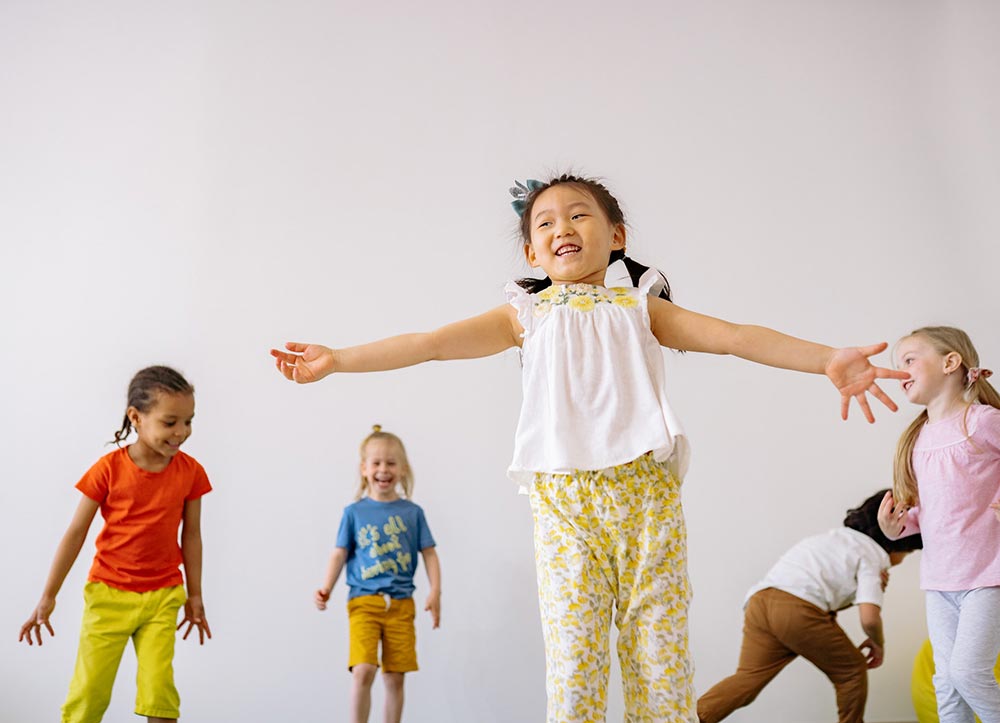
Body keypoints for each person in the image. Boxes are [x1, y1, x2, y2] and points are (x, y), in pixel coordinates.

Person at [271, 173, 907, 722]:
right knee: (574, 661)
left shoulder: (641, 307)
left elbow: (736, 337)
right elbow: (430, 342)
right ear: (532, 249)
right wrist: (339, 361)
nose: (562, 227)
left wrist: (827, 359)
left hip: (645, 500)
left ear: (617, 235)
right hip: (565, 505)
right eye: (545, 221)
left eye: (580, 214)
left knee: (659, 661)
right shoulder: (525, 315)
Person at [18, 366, 212, 723]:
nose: (182, 432)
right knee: (89, 694)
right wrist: (48, 596)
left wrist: (195, 595)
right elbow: (75, 533)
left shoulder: (192, 472)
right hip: (108, 595)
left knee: (160, 695)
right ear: (136, 417)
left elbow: (192, 534)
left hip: (163, 597)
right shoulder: (108, 469)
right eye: (170, 422)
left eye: (188, 421)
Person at [697, 489, 923, 723]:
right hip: (797, 609)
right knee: (852, 671)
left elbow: (822, 586)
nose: (901, 561)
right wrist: (878, 643)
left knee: (748, 677)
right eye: (907, 554)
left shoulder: (834, 538)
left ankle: (685, 718)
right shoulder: (873, 557)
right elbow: (869, 618)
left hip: (759, 601)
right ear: (898, 541)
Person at [878, 326, 1000, 723]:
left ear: (951, 363)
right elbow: (934, 512)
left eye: (910, 360)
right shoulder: (918, 439)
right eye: (899, 366)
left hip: (986, 577)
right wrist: (897, 527)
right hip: (940, 581)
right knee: (946, 683)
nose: (902, 373)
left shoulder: (981, 422)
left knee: (968, 673)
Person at [315, 425, 440, 723]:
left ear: (403, 469)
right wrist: (327, 587)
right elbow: (340, 552)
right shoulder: (354, 512)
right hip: (364, 603)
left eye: (391, 463)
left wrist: (435, 590)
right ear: (364, 469)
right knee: (363, 669)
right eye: (376, 463)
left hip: (401, 605)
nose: (383, 470)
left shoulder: (413, 512)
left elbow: (429, 553)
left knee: (395, 677)